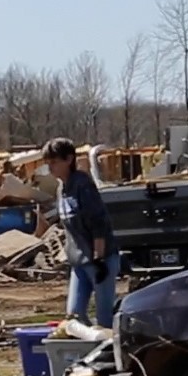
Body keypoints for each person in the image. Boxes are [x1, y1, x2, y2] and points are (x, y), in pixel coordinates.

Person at [38, 136, 121, 329]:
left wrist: (99, 258)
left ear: (69, 159)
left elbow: (98, 221)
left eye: (55, 162)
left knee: (104, 317)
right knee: (74, 316)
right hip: (79, 262)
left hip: (100, 259)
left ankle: (110, 353)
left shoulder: (82, 184)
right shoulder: (61, 188)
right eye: (47, 163)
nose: (50, 168)